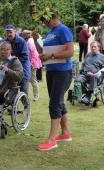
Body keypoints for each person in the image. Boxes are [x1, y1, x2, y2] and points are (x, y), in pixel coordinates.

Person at [35, 8, 74, 151]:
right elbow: (44, 52)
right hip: (51, 71)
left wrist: (51, 57)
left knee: (55, 103)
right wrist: (34, 39)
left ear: (51, 18)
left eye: (44, 21)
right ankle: (65, 133)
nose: (44, 24)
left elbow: (70, 52)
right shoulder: (49, 32)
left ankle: (52, 140)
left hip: (62, 72)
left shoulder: (63, 29)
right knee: (58, 101)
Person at [3, 24, 31, 95]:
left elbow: (25, 57)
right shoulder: (4, 42)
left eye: (10, 32)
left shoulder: (21, 41)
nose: (9, 34)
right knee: (11, 92)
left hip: (23, 70)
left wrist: (14, 64)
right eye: (7, 32)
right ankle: (11, 105)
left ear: (14, 32)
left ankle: (26, 106)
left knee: (24, 92)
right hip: (10, 71)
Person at [21, 30, 42, 101]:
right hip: (29, 62)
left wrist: (32, 63)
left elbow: (34, 53)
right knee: (28, 79)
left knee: (33, 79)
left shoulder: (30, 41)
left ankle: (36, 96)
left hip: (32, 63)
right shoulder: (28, 41)